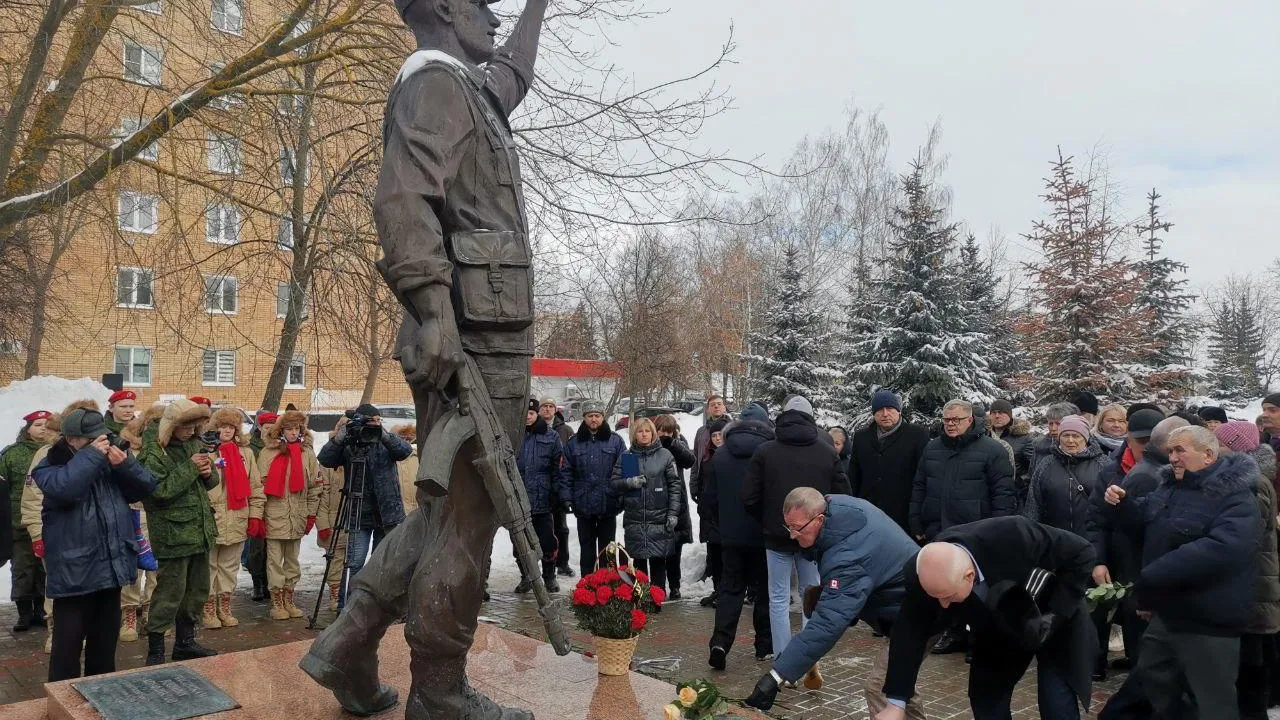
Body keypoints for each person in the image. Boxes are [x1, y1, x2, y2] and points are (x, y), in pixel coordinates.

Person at [300, 0, 553, 716]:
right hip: (470, 334)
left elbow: (513, 74)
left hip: (479, 328)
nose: (495, 19)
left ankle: (347, 643)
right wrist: (435, 310)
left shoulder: (466, 86)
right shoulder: (434, 82)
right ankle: (439, 693)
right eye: (484, 4)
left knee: (447, 512)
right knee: (472, 519)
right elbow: (403, 197)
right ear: (445, 7)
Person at [1103, 425, 1261, 720]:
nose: (1172, 457)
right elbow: (1143, 520)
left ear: (1208, 455)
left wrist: (1153, 575)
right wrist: (1122, 505)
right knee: (1153, 676)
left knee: (1213, 700)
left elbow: (1223, 549)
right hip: (1169, 613)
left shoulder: (1236, 497)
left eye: (1180, 450)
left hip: (1209, 619)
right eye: (1170, 450)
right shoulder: (1170, 487)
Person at [877, 516, 1097, 720]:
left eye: (948, 597)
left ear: (969, 576)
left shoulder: (1012, 534)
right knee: (986, 699)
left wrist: (1055, 615)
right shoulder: (926, 574)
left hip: (1055, 614)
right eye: (936, 598)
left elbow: (1083, 552)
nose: (942, 605)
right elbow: (909, 634)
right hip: (998, 628)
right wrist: (896, 702)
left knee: (1055, 701)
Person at [746, 489, 923, 716]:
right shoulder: (835, 507)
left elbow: (827, 625)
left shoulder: (848, 556)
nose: (792, 536)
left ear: (819, 519)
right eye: (788, 527)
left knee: (882, 688)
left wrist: (776, 677)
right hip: (907, 604)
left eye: (797, 529)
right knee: (900, 687)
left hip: (918, 612)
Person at [32, 408, 157, 681]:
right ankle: (63, 702)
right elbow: (65, 488)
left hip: (110, 568)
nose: (100, 443)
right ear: (71, 439)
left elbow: (147, 487)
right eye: (91, 440)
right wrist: (91, 456)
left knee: (104, 649)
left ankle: (102, 695)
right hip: (74, 573)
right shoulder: (49, 465)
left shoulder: (105, 463)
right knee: (67, 649)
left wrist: (124, 465)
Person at [743, 395, 851, 661]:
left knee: (778, 598)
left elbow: (748, 496)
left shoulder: (766, 451)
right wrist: (820, 524)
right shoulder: (827, 452)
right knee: (811, 596)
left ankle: (783, 657)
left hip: (776, 536)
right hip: (813, 538)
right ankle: (808, 656)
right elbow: (842, 495)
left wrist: (771, 521)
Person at [911, 399, 1016, 657]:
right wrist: (916, 519)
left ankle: (978, 637)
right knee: (946, 585)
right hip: (939, 528)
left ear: (970, 420)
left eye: (956, 420)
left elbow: (1003, 493)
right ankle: (953, 632)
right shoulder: (932, 448)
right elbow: (920, 486)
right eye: (947, 420)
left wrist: (999, 528)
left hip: (975, 529)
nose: (951, 424)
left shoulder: (992, 450)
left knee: (976, 586)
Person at [1022, 415, 1108, 679]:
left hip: (1090, 544)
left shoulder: (1103, 463)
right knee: (1056, 601)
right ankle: (1058, 655)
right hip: (1055, 547)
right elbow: (1033, 504)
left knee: (1093, 606)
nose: (1070, 440)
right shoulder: (1046, 464)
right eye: (1065, 436)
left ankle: (1094, 662)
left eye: (1076, 436)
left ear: (1086, 437)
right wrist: (1031, 540)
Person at [138, 398, 219, 665]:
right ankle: (156, 650)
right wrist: (190, 467)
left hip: (199, 530)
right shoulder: (153, 453)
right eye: (187, 426)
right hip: (173, 534)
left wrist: (208, 473)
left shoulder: (193, 444)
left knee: (196, 590)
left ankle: (185, 643)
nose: (192, 431)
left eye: (196, 426)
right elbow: (159, 492)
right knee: (169, 593)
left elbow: (209, 482)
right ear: (172, 425)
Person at [1214, 421, 1280, 720]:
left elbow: (1245, 533)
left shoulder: (1252, 482)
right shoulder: (1248, 477)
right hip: (1252, 581)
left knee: (1251, 660)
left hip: (1254, 582)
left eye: (1220, 443)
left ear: (1237, 446)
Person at [703, 403, 775, 667]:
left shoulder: (721, 456)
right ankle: (764, 646)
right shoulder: (771, 453)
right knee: (765, 592)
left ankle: (720, 643)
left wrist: (721, 525)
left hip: (730, 537)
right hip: (763, 536)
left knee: (730, 590)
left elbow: (708, 499)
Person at [316, 405, 413, 584]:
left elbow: (405, 451)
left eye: (378, 420)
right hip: (359, 515)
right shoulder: (350, 443)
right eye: (371, 421)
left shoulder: (386, 442)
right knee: (355, 563)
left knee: (382, 565)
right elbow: (325, 459)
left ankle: (376, 608)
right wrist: (339, 440)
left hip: (388, 514)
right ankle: (350, 604)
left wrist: (384, 435)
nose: (374, 424)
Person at [202, 408, 265, 630]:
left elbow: (256, 486)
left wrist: (255, 516)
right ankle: (208, 609)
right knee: (209, 566)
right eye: (222, 426)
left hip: (238, 516)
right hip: (213, 517)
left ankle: (225, 606)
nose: (226, 430)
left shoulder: (245, 453)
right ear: (214, 427)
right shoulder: (206, 451)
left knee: (229, 567)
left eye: (231, 427)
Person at [258, 409, 322, 620]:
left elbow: (314, 487)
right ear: (281, 430)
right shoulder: (268, 453)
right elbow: (259, 487)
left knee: (292, 561)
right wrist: (258, 516)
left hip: (298, 514)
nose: (293, 433)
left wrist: (311, 515)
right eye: (289, 429)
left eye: (297, 429)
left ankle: (289, 599)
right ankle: (277, 602)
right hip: (275, 514)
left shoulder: (307, 454)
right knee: (275, 561)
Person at [612, 417, 681, 590]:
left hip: (658, 518)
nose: (644, 434)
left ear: (653, 434)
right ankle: (642, 598)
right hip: (635, 519)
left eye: (647, 431)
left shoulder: (665, 455)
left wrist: (673, 513)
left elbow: (674, 486)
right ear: (635, 435)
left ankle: (657, 598)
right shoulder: (627, 457)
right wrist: (629, 482)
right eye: (640, 431)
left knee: (658, 562)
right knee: (638, 563)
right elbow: (614, 484)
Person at [849, 390, 930, 536]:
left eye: (890, 409)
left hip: (903, 515)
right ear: (874, 414)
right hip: (869, 514)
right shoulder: (862, 437)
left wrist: (918, 517)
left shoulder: (917, 435)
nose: (885, 414)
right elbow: (854, 476)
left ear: (898, 411)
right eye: (880, 410)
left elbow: (923, 477)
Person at [4, 409, 53, 633]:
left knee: (44, 569)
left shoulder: (54, 452)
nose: (42, 428)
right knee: (23, 568)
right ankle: (24, 613)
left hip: (47, 518)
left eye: (46, 425)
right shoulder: (12, 454)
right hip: (18, 521)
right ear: (27, 429)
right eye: (37, 424)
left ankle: (41, 611)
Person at [564, 400, 625, 577]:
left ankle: (606, 585)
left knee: (607, 550)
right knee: (587, 549)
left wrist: (622, 496)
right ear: (584, 418)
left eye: (597, 416)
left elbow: (626, 472)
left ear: (603, 417)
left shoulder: (616, 441)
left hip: (608, 503)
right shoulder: (573, 443)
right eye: (590, 416)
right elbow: (566, 472)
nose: (593, 419)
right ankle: (587, 586)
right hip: (583, 504)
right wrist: (567, 497)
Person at [515, 400, 571, 593]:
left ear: (537, 414)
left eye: (531, 413)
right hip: (519, 501)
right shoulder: (514, 436)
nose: (528, 417)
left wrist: (558, 493)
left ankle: (549, 577)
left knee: (547, 541)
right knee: (520, 545)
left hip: (544, 499)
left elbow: (559, 467)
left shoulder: (551, 436)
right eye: (525, 413)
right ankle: (527, 577)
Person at [691, 394, 732, 606]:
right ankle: (717, 589)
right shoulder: (703, 441)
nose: (717, 438)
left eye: (719, 403)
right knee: (714, 551)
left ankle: (728, 591)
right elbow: (696, 463)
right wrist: (695, 487)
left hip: (728, 512)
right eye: (714, 435)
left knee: (727, 554)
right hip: (709, 511)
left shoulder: (733, 455)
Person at [655, 413, 695, 600]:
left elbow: (689, 460)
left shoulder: (678, 442)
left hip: (676, 501)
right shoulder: (650, 443)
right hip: (656, 501)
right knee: (657, 549)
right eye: (661, 430)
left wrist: (673, 443)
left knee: (674, 548)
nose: (663, 434)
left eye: (667, 431)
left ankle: (675, 585)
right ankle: (658, 586)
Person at [316, 416, 350, 613]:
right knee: (335, 559)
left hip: (352, 516)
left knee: (352, 558)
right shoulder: (329, 455)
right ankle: (335, 594)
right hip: (333, 518)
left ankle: (350, 594)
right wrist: (322, 523)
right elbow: (322, 493)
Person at [538, 398, 574, 578]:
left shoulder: (565, 430)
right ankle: (541, 565)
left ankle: (563, 562)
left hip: (559, 485)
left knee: (561, 528)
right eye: (544, 406)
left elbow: (571, 457)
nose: (547, 409)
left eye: (551, 406)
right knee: (542, 528)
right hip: (539, 486)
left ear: (555, 410)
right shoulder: (531, 428)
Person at [243, 410, 277, 602]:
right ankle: (258, 582)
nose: (269, 430)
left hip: (274, 501)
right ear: (259, 428)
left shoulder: (279, 446)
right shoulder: (250, 446)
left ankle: (268, 582)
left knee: (272, 548)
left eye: (273, 427)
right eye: (266, 427)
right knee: (256, 548)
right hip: (255, 500)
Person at [987, 399, 1034, 504]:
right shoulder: (985, 435)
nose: (997, 416)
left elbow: (1033, 465)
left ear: (1009, 415)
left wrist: (1021, 482)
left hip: (1014, 493)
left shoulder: (1023, 438)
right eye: (993, 413)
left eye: (1001, 412)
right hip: (988, 491)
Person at [1026, 402, 1080, 480]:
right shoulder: (1039, 447)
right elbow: (1031, 477)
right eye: (1051, 424)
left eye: (1058, 423)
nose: (1053, 428)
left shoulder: (1084, 448)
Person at [395, 424, 420, 515]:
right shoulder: (391, 458)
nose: (405, 440)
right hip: (399, 512)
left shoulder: (419, 457)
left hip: (416, 511)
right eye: (402, 437)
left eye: (409, 438)